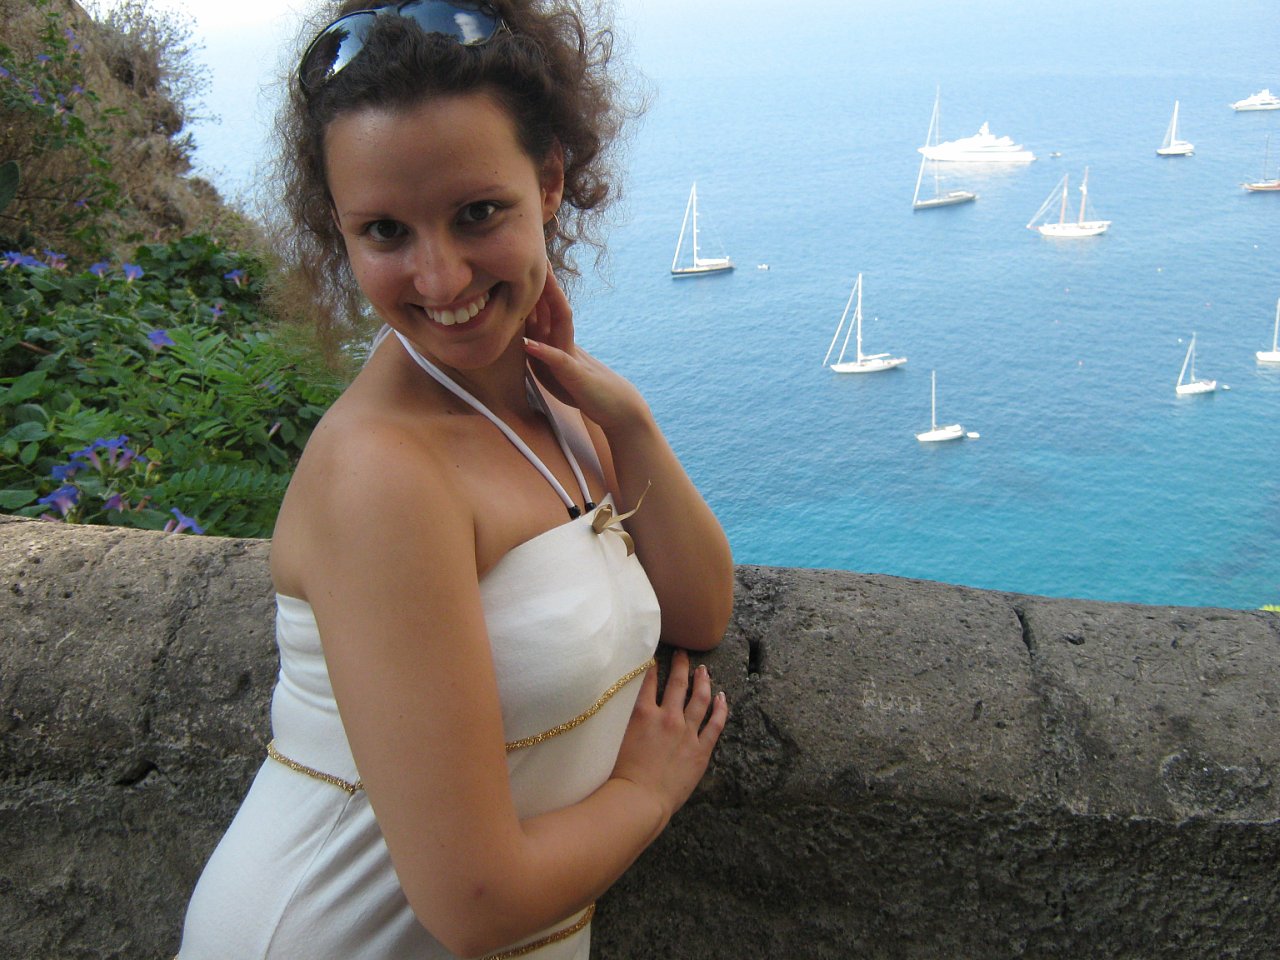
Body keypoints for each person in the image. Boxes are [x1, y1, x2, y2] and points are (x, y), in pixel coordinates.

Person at [176, 1, 734, 957]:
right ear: (340, 230)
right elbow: (476, 904)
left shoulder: (549, 401)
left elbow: (699, 614)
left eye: (477, 214)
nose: (439, 279)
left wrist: (630, 425)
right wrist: (645, 792)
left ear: (549, 181)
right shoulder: (382, 475)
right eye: (385, 231)